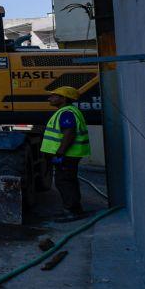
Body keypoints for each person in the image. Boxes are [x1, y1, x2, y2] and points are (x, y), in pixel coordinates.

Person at [40, 86, 91, 218]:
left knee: (64, 182)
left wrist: (60, 153)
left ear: (63, 98)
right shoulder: (68, 111)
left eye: (54, 95)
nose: (50, 98)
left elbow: (69, 133)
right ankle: (74, 209)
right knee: (68, 181)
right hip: (70, 155)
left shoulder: (66, 113)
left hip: (67, 155)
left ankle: (71, 211)